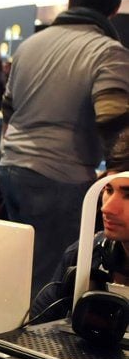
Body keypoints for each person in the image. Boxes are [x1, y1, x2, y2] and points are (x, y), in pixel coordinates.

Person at [0, 0, 129, 298]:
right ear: (114, 9)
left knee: (19, 271)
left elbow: (8, 109)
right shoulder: (107, 51)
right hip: (60, 177)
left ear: (70, 2)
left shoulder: (29, 46)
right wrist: (119, 180)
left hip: (11, 169)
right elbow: (115, 126)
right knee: (50, 283)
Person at [31, 130, 129, 322]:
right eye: (108, 190)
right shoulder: (85, 253)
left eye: (128, 195)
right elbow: (34, 327)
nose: (107, 208)